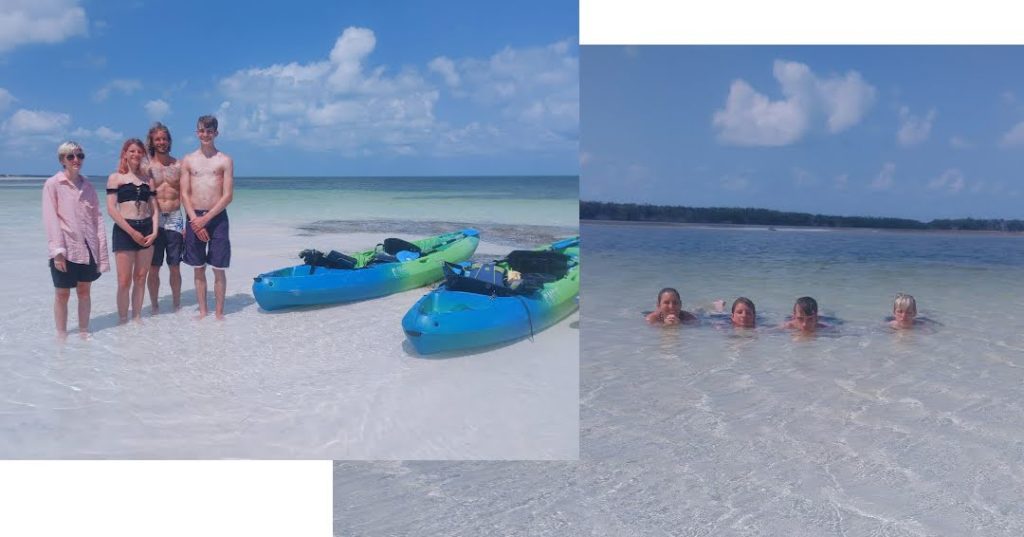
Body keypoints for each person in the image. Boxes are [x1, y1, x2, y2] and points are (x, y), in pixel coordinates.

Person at [42, 141, 110, 339]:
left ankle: (83, 331)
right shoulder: (53, 184)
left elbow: (97, 219)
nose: (76, 160)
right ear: (62, 160)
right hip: (65, 248)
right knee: (62, 294)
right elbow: (50, 218)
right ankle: (61, 333)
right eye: (70, 156)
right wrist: (58, 252)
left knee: (84, 291)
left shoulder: (88, 186)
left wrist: (101, 253)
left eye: (80, 156)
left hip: (88, 248)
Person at [181, 115, 234, 319]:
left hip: (217, 217)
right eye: (202, 131)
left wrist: (207, 218)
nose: (205, 135)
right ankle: (203, 311)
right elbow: (184, 193)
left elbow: (228, 195)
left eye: (209, 131)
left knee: (218, 268)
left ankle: (219, 313)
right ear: (197, 132)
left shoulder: (225, 160)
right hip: (194, 216)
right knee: (198, 268)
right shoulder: (188, 160)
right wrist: (195, 219)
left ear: (216, 133)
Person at [107, 138, 159, 323]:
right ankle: (122, 319)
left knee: (140, 277)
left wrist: (154, 232)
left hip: (146, 229)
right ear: (125, 154)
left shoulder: (148, 180)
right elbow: (112, 209)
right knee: (124, 281)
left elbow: (154, 209)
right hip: (124, 230)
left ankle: (136, 316)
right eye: (132, 151)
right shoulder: (116, 178)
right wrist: (131, 232)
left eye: (139, 151)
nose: (136, 154)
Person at [145, 122, 184, 313]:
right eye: (158, 139)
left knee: (175, 265)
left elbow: (186, 193)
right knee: (154, 266)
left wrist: (189, 221)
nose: (162, 142)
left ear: (169, 141)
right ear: (152, 142)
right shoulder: (146, 166)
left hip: (175, 216)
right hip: (154, 219)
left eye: (165, 138)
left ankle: (176, 304)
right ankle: (154, 305)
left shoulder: (178, 165)